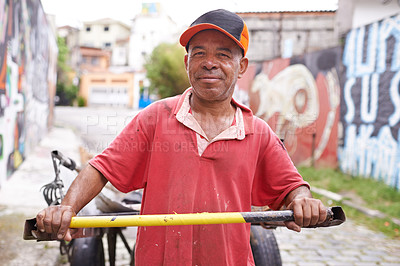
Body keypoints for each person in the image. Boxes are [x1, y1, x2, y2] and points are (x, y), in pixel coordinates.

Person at [36, 9, 327, 266]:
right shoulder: (155, 117)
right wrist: (67, 207)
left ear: (242, 67)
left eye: (223, 54)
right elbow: (101, 168)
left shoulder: (258, 133)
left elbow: (292, 187)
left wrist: (304, 202)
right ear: (187, 62)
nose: (209, 63)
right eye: (199, 53)